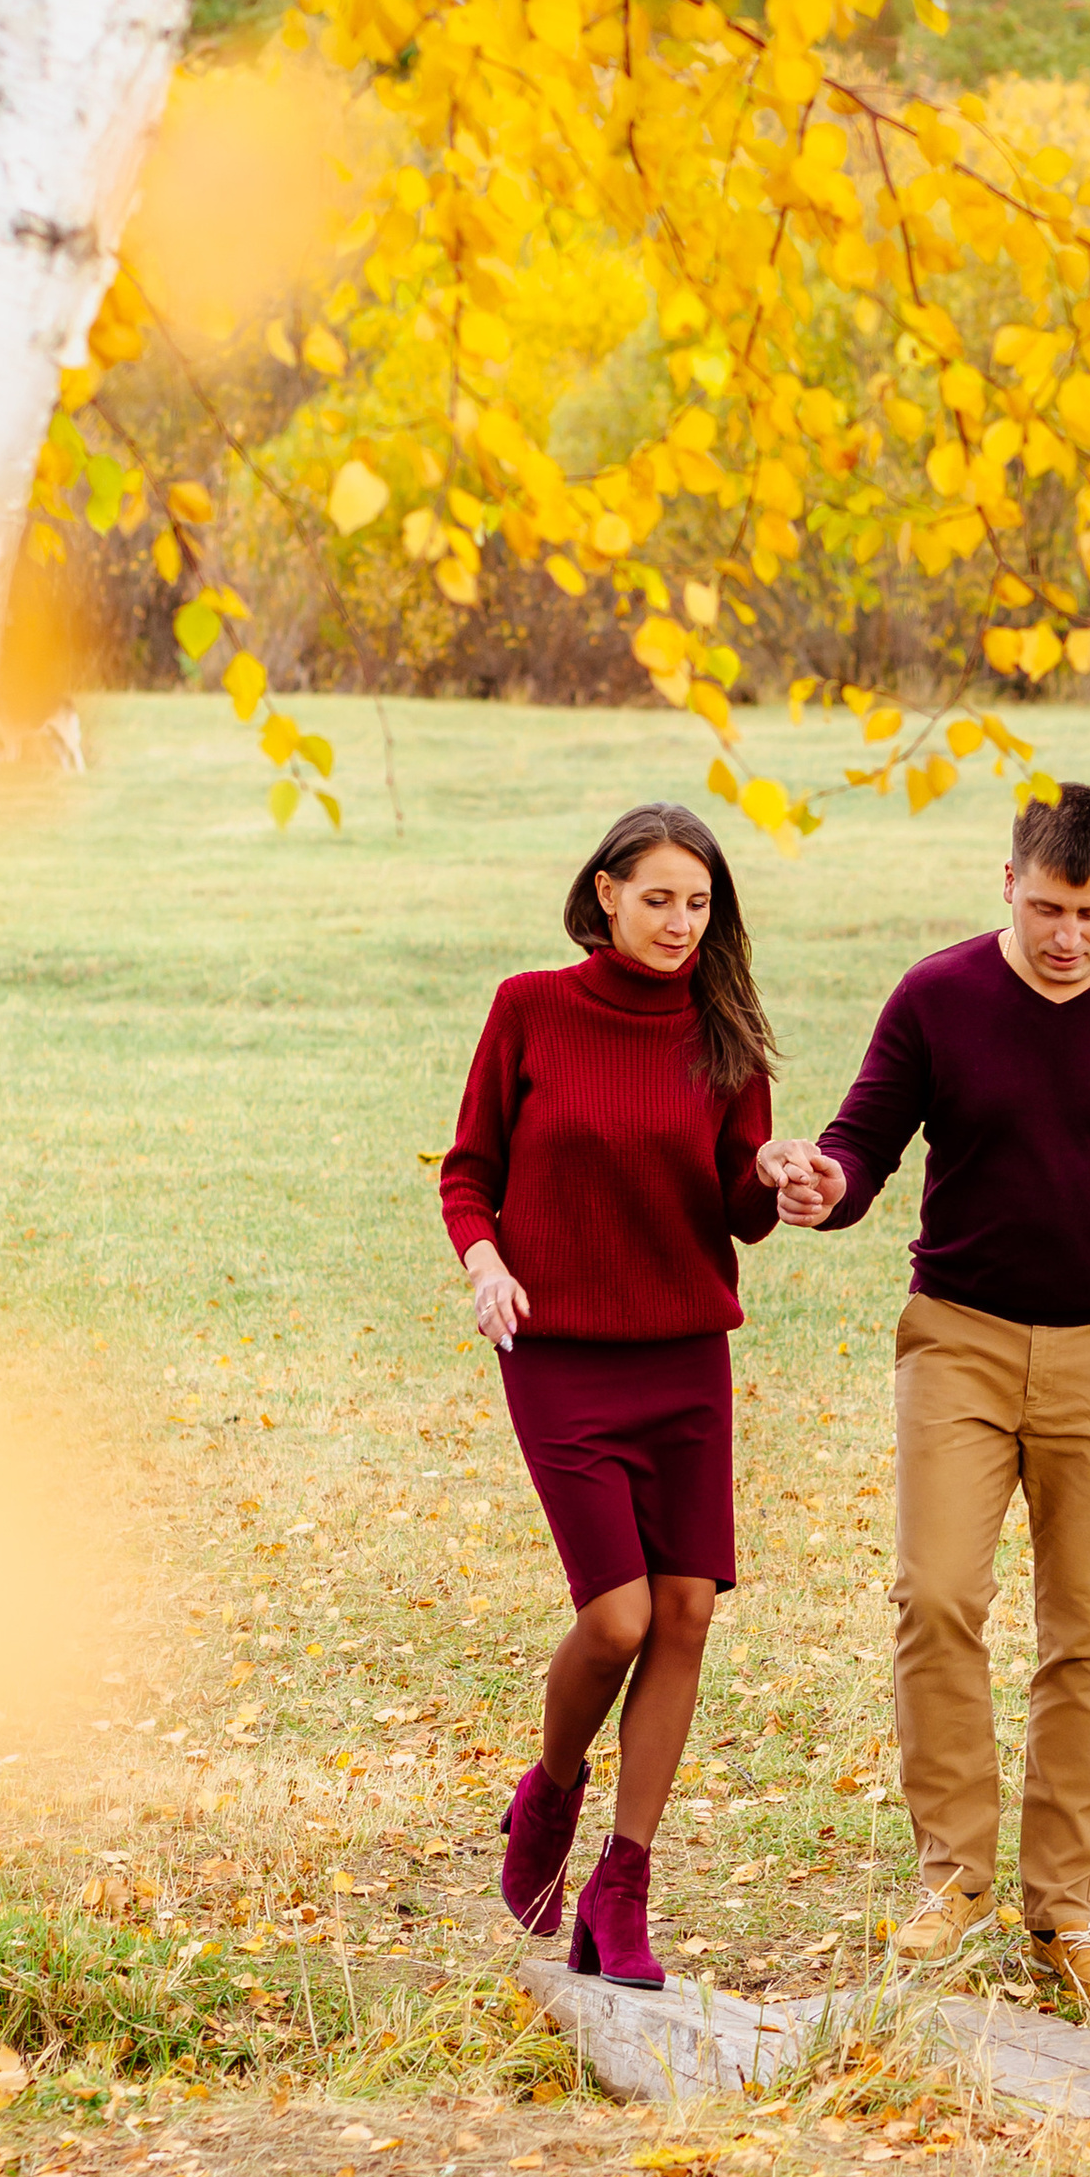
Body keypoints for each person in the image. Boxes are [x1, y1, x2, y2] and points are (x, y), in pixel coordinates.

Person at [757, 780, 1090, 2006]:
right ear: (1005, 884)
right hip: (958, 1338)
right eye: (1048, 907)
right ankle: (951, 1875)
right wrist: (819, 1186)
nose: (1069, 935)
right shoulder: (938, 996)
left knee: (1085, 1635)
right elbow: (861, 1144)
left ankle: (1066, 1908)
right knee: (936, 1594)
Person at [440, 802, 779, 1987]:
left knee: (686, 1611)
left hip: (685, 1353)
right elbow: (469, 1169)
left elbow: (738, 1202)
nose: (680, 923)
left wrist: (779, 1177)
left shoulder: (726, 1034)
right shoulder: (530, 1008)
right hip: (562, 1350)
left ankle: (622, 1884)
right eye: (658, 899)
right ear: (603, 896)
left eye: (698, 904)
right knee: (620, 1615)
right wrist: (483, 1262)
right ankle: (553, 1787)